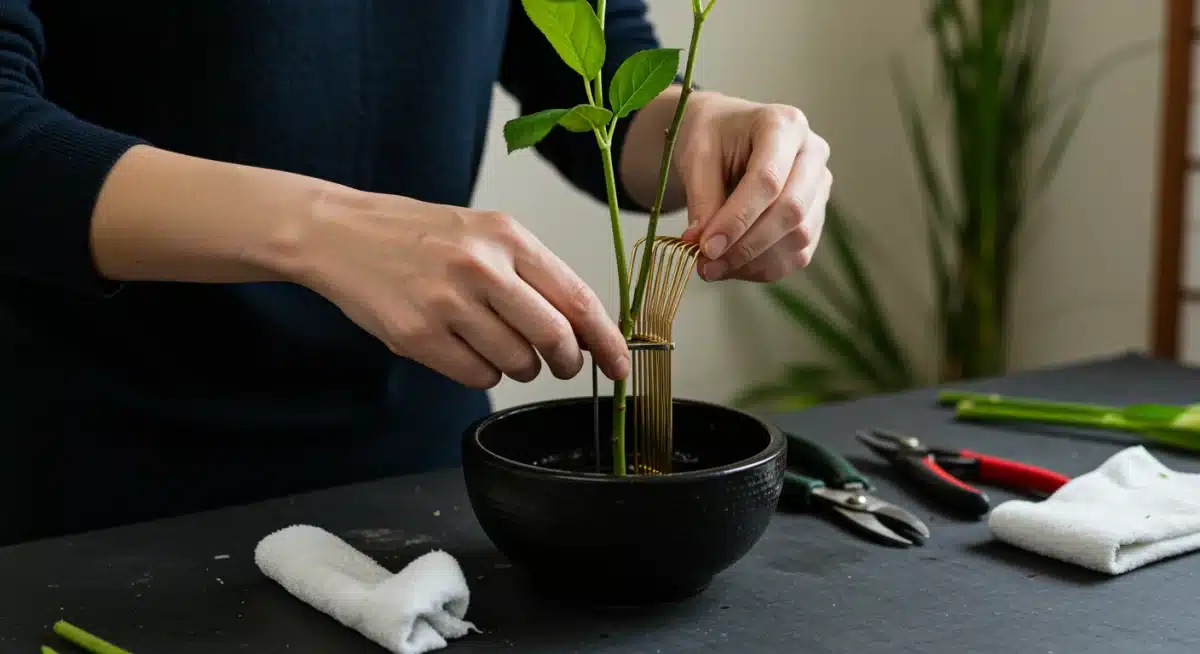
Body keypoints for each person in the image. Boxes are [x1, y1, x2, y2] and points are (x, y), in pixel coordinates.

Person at [0, 0, 832, 545]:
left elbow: (595, 78)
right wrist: (325, 230)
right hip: (97, 496)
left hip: (432, 489)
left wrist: (707, 129)